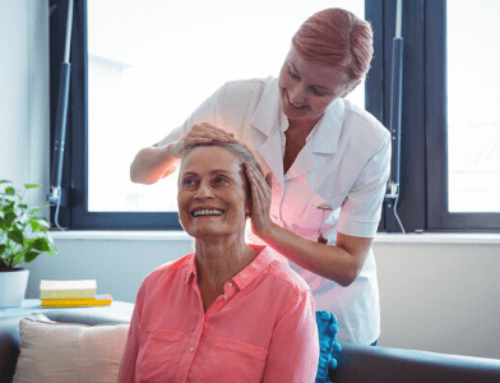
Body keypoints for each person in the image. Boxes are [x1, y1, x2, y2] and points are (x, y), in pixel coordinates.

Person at [130, 8, 390, 345]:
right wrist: (178, 148)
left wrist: (265, 228)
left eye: (318, 90)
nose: (296, 95)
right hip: (251, 309)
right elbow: (140, 172)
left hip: (333, 317)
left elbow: (347, 266)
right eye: (292, 72)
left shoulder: (367, 141)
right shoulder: (235, 101)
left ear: (349, 89)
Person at [118, 142, 319, 383]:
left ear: (251, 199)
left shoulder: (289, 297)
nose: (201, 193)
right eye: (189, 182)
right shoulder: (153, 286)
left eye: (220, 180)